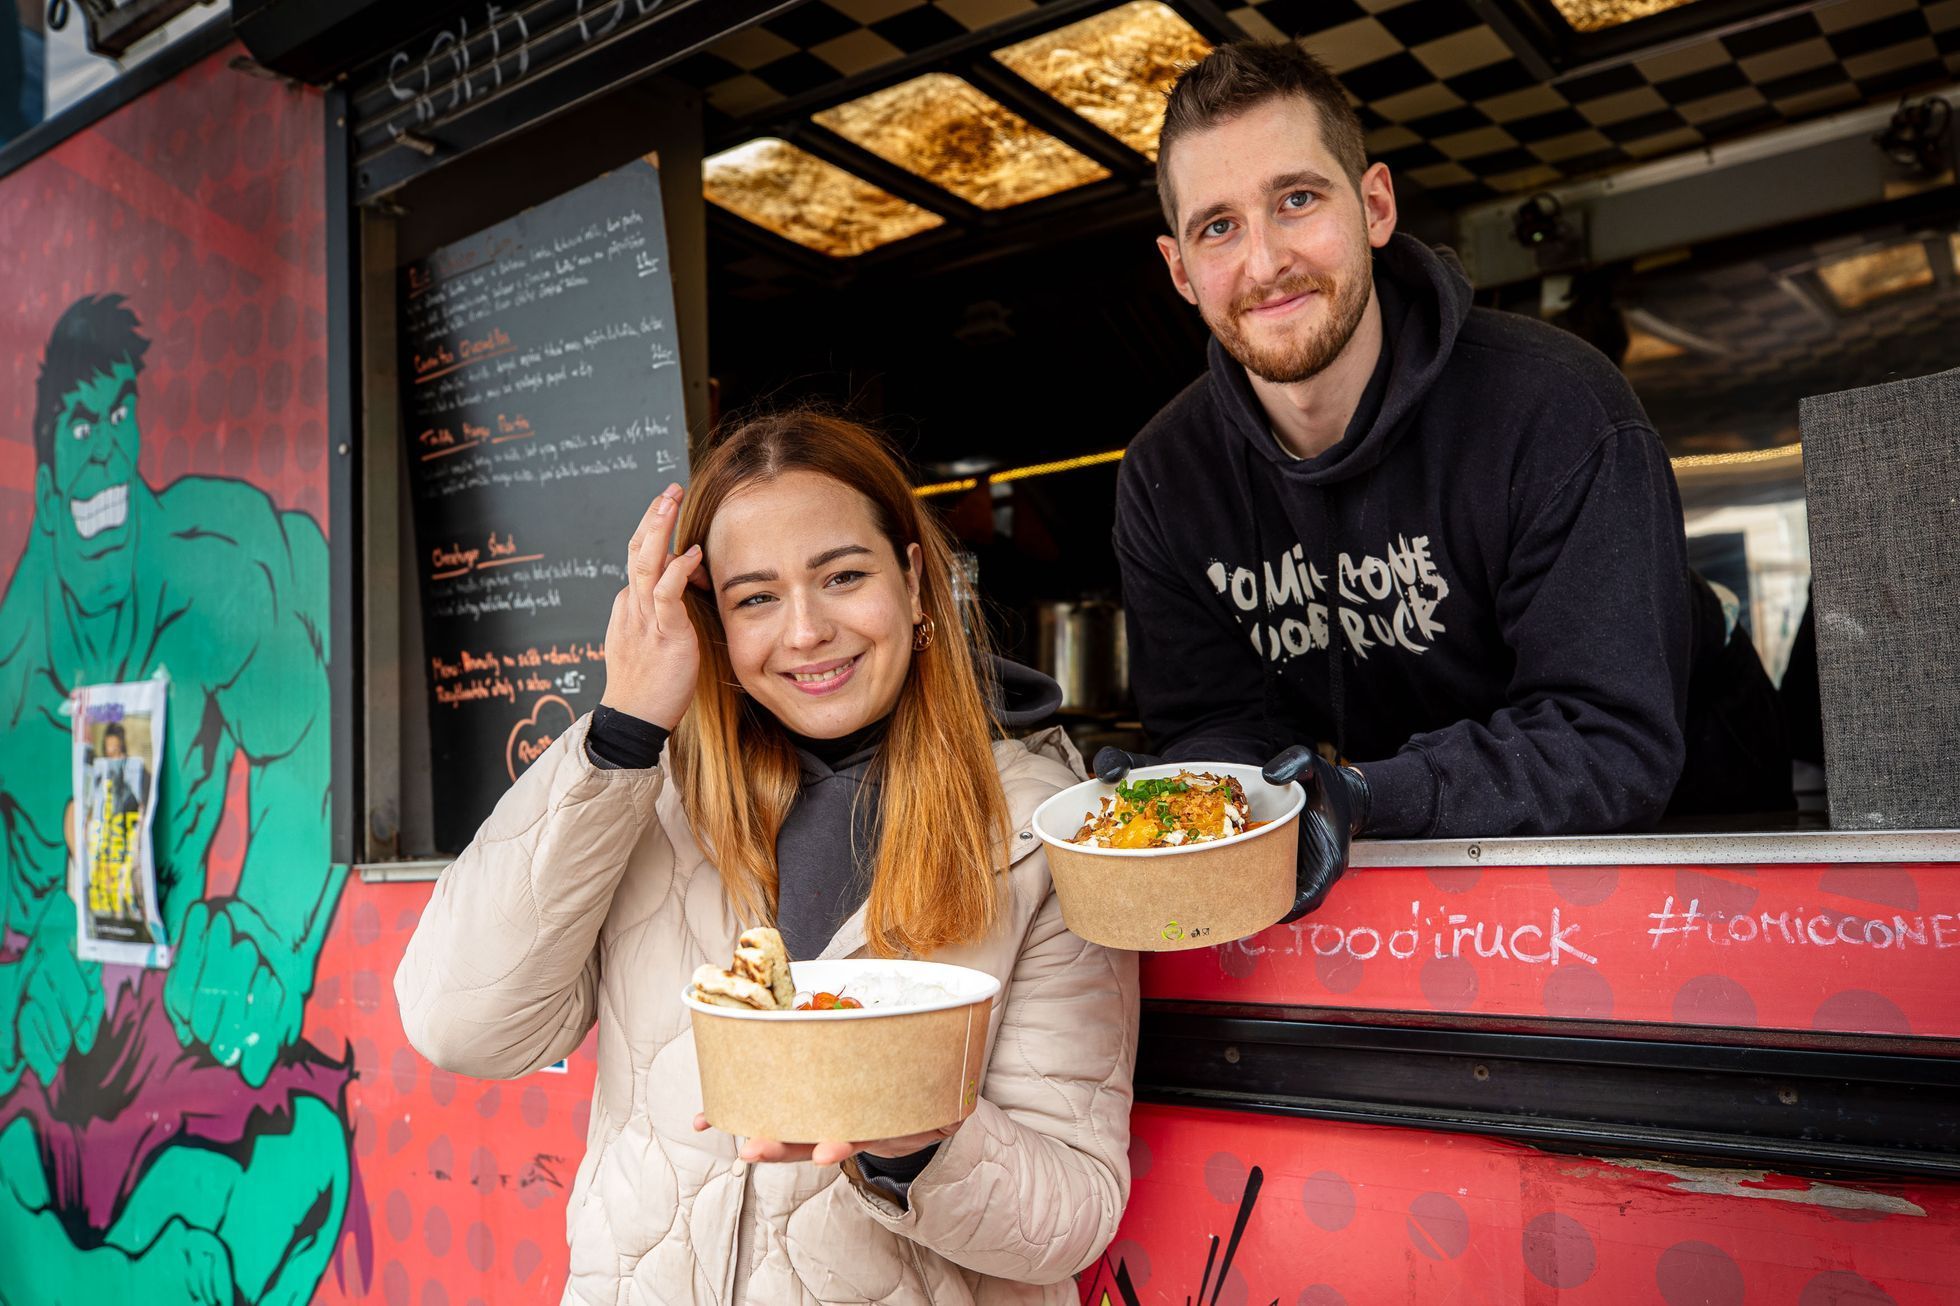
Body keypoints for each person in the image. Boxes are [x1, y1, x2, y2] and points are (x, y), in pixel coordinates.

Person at [396, 411, 1139, 1305]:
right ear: (711, 622)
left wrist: (914, 1138)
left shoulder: (1040, 831)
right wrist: (623, 729)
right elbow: (459, 1025)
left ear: (911, 580)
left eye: (843, 576)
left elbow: (1075, 1211)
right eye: (755, 597)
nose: (804, 631)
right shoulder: (650, 796)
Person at [1101, 41, 1790, 915]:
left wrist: (1362, 795)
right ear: (1179, 271)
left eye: (1297, 199)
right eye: (1219, 227)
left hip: (1688, 830)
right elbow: (1216, 725)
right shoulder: (1167, 477)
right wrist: (1183, 790)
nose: (1265, 260)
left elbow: (1606, 740)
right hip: (1405, 840)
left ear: (1376, 205)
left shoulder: (1556, 407)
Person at [0, 293, 347, 1305]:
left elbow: (314, 702)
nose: (104, 450)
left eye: (119, 419)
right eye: (78, 425)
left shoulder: (211, 559)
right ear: (48, 460)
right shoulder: (20, 649)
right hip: (67, 1048)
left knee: (308, 1157)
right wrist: (24, 977)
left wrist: (267, 928)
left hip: (182, 1023)